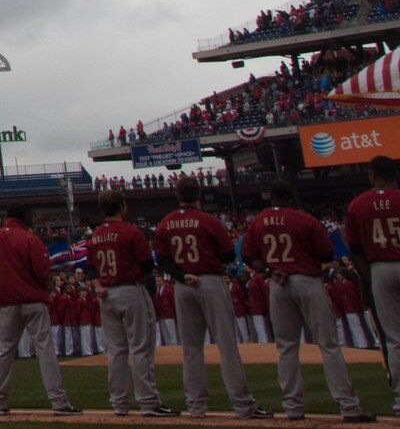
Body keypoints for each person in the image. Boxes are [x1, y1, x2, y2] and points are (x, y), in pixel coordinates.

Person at [243, 179, 373, 422]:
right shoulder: (304, 219)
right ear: (290, 196)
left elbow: (249, 257)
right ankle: (348, 407)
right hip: (307, 280)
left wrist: (271, 270)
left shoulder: (258, 221)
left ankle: (292, 407)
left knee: (286, 347)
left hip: (278, 284)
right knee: (329, 344)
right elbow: (325, 254)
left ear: (269, 196)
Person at [154, 174, 267, 419]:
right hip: (210, 280)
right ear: (199, 194)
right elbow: (228, 255)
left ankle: (196, 406)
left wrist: (182, 275)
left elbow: (162, 259)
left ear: (177, 194)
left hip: (183, 285)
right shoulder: (208, 220)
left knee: (191, 349)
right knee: (227, 346)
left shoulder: (165, 222)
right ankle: (242, 405)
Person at [0, 203, 79, 416]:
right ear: (25, 218)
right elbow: (43, 271)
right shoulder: (29, 238)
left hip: (7, 303)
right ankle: (59, 402)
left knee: (5, 352)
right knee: (45, 350)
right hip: (33, 300)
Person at [88, 190, 173, 417]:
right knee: (140, 348)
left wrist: (98, 285)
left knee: (115, 351)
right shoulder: (130, 231)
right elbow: (146, 265)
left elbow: (91, 267)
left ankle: (119, 403)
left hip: (107, 294)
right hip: (130, 290)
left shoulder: (95, 234)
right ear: (122, 206)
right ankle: (148, 402)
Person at [344, 154, 400, 413]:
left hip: (379, 268)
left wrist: (369, 277)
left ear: (372, 174)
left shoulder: (358, 204)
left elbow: (355, 250)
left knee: (394, 338)